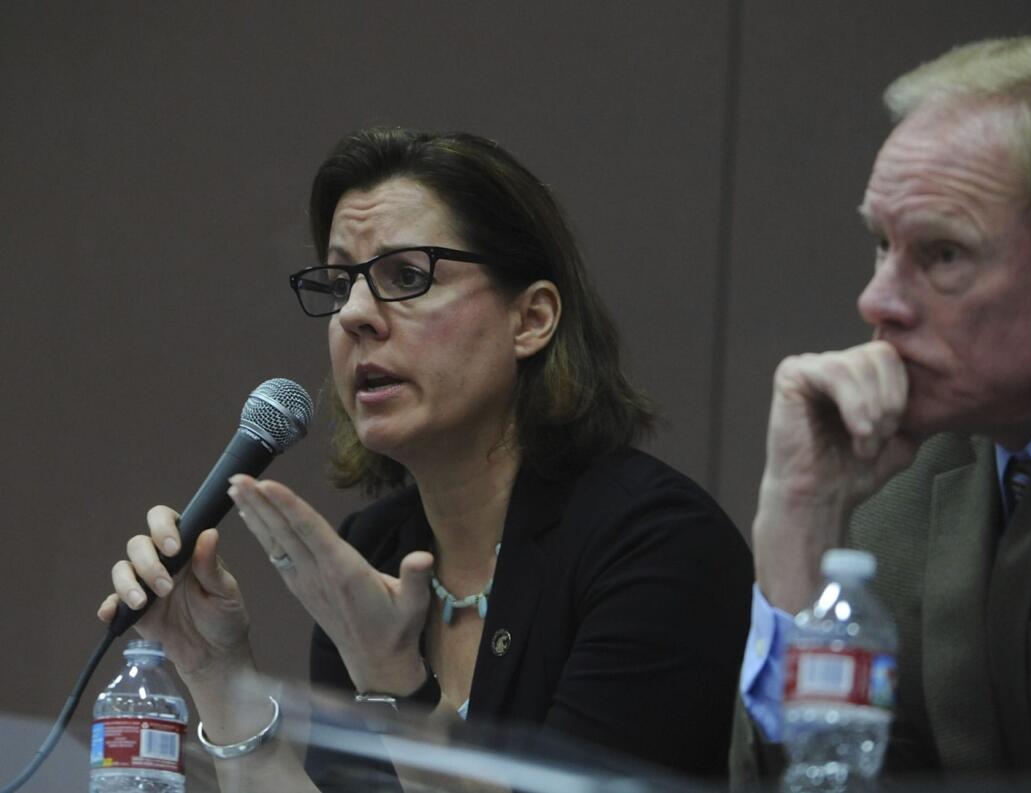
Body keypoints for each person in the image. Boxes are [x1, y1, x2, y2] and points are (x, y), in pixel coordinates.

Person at [98, 127, 753, 790]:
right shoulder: (374, 549)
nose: (355, 314)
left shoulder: (656, 546)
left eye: (405, 276)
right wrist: (217, 671)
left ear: (530, 319)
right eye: (340, 283)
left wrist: (392, 681)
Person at [733, 37, 1031, 787]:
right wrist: (803, 519)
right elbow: (825, 778)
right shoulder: (917, 463)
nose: (877, 302)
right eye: (881, 244)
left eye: (943, 255)